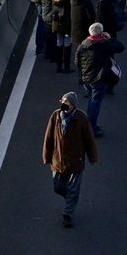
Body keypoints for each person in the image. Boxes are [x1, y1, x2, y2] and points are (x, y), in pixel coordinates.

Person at [39, 90, 98, 228]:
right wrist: (46, 156)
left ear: (73, 105)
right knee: (58, 187)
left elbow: (89, 139)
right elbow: (48, 137)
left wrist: (92, 156)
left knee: (72, 188)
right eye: (63, 101)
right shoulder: (55, 116)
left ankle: (68, 214)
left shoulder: (81, 118)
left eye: (67, 102)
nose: (64, 104)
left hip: (75, 162)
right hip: (58, 161)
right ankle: (72, 199)